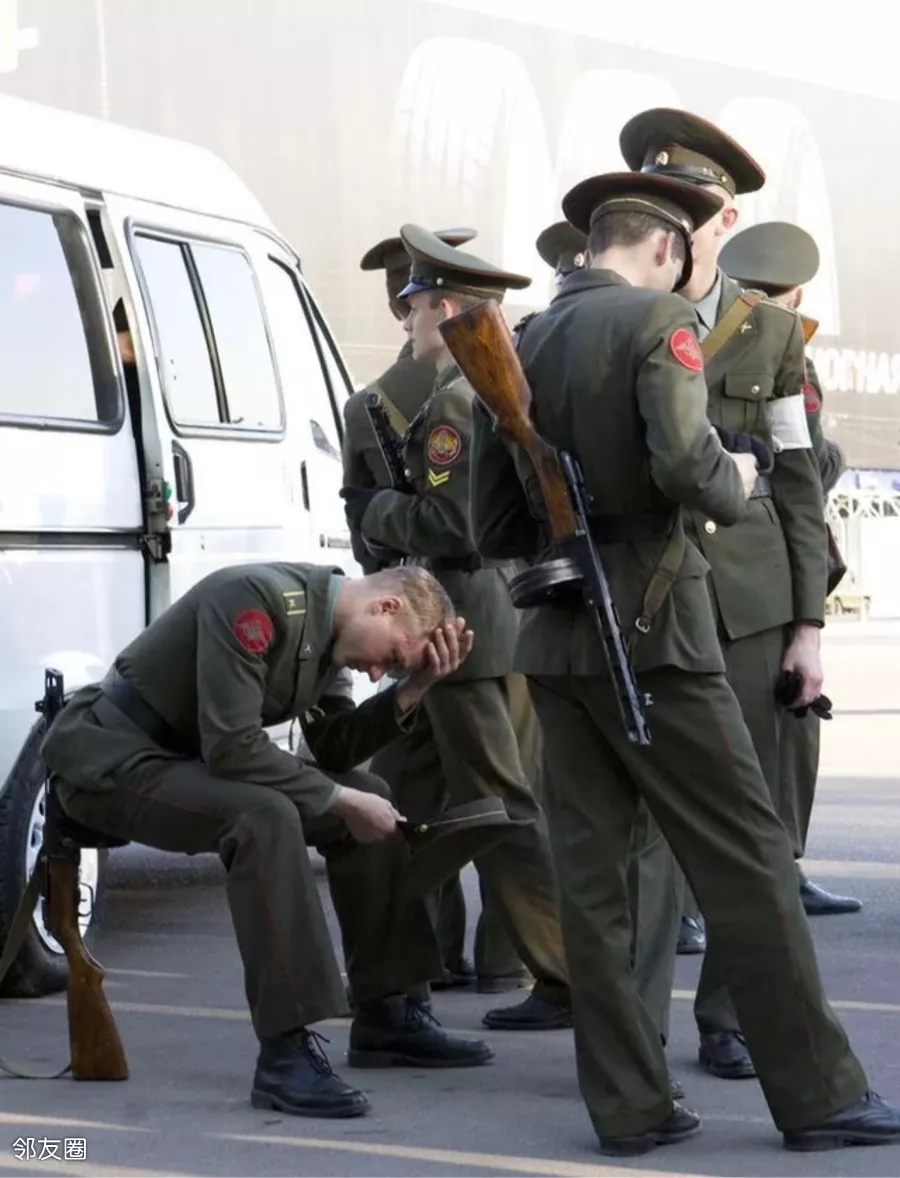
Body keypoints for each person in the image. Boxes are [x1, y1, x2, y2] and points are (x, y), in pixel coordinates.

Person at [466, 167, 900, 1156]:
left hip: (560, 639)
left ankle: (630, 1104)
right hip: (660, 631)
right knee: (750, 857)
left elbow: (491, 522)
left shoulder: (520, 340)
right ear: (666, 247)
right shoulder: (658, 323)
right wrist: (734, 473)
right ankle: (820, 1094)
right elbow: (684, 466)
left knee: (595, 884)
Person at [40, 562, 496, 1119]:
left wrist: (415, 687)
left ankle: (388, 1012)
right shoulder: (256, 601)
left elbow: (334, 749)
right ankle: (285, 1054)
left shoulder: (331, 634)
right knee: (266, 816)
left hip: (186, 764)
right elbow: (233, 746)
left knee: (371, 793)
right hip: (112, 759)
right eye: (393, 657)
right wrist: (340, 800)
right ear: (386, 606)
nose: (379, 672)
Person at [617, 107, 833, 1081]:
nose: (679, 220)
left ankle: (730, 1016)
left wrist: (807, 627)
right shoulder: (612, 316)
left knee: (757, 825)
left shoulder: (773, 331)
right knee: (648, 832)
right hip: (646, 601)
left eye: (694, 205)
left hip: (749, 606)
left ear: (725, 217)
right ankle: (634, 1040)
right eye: (662, 199)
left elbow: (798, 481)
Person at [341, 227, 573, 1032]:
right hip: (478, 621)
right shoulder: (473, 387)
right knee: (411, 793)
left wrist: (375, 509)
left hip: (462, 626)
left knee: (499, 803)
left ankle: (564, 974)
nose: (405, 318)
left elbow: (454, 524)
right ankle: (431, 960)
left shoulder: (449, 398)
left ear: (440, 308)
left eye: (413, 305)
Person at [719, 219, 860, 916]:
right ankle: (781, 872)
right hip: (763, 566)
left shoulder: (685, 333)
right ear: (796, 294)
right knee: (779, 737)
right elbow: (811, 466)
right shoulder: (784, 348)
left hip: (732, 569)